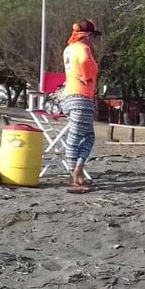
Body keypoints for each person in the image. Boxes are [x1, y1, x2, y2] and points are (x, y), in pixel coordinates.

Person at [62, 19, 100, 191]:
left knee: (88, 136)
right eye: (93, 37)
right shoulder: (83, 48)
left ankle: (78, 168)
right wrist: (87, 76)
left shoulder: (68, 49)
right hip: (82, 96)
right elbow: (84, 61)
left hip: (68, 96)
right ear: (88, 35)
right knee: (76, 137)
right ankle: (75, 175)